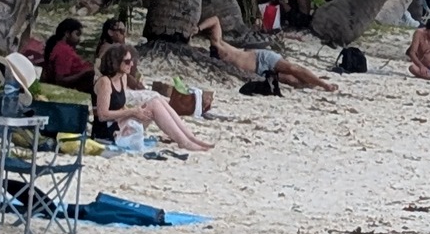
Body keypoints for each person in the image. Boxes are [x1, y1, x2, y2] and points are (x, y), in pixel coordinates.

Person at [91, 42, 215, 151]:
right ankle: (184, 142)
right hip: (106, 131)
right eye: (127, 61)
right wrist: (132, 112)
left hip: (119, 124)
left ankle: (189, 137)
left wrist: (135, 112)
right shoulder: (105, 82)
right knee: (154, 104)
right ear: (116, 62)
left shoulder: (122, 78)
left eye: (131, 61)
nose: (132, 64)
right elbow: (103, 115)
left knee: (156, 100)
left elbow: (121, 107)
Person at [194, 15, 340, 92]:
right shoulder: (210, 53)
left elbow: (215, 20)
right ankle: (314, 82)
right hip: (259, 71)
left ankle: (324, 84)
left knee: (293, 68)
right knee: (291, 80)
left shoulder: (217, 43)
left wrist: (198, 29)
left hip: (260, 57)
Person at [40, 17, 94, 90]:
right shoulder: (64, 51)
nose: (79, 39)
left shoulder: (62, 47)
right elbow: (60, 81)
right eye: (77, 34)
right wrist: (84, 72)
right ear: (67, 33)